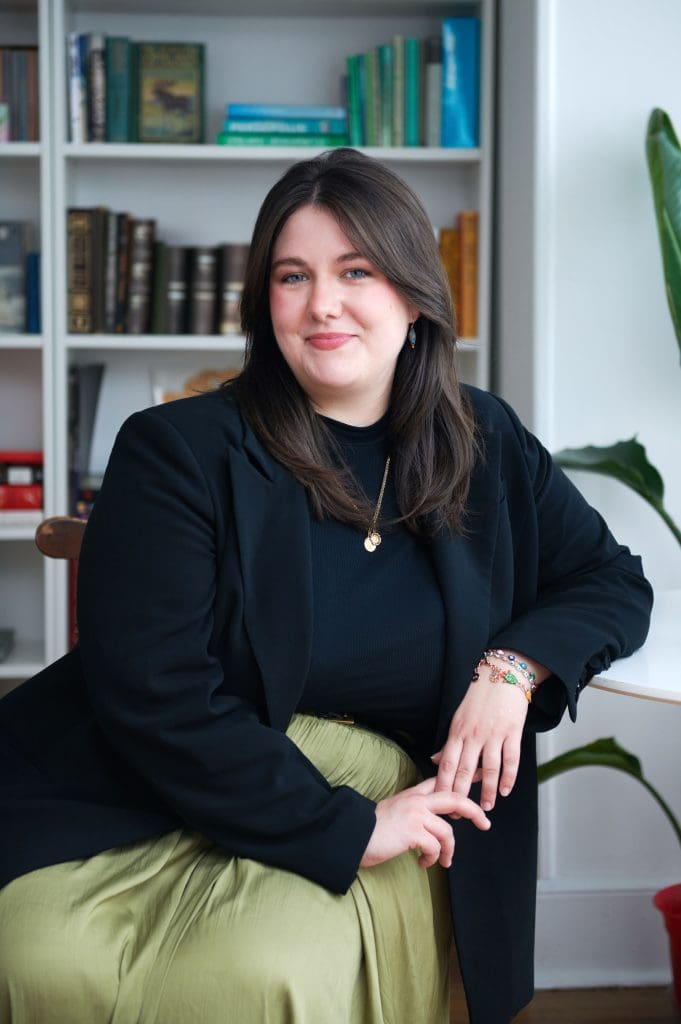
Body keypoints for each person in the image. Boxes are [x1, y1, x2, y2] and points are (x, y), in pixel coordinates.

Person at [0, 148, 652, 1024]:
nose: (322, 305)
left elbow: (610, 580)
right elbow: (155, 693)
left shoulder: (482, 437)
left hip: (389, 788)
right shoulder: (178, 448)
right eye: (292, 276)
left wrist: (512, 670)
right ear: (263, 303)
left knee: (257, 978)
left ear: (414, 293)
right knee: (43, 959)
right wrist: (346, 828)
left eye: (357, 271)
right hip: (147, 784)